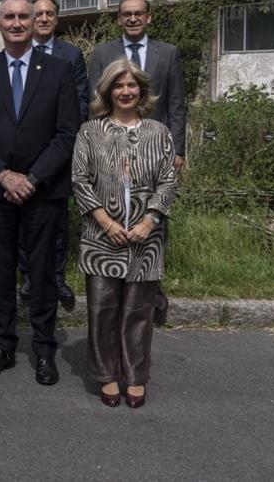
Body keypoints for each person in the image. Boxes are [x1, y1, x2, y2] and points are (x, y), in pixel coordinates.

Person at [0, 0, 79, 385]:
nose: (16, 23)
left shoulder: (60, 70)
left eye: (23, 17)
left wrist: (31, 178)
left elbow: (67, 134)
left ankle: (44, 349)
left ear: (35, 22)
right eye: (9, 17)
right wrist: (3, 176)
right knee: (0, 272)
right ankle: (3, 345)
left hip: (43, 191)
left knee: (44, 273)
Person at [72, 59, 178, 408]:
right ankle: (106, 375)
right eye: (119, 85)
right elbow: (80, 180)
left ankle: (135, 377)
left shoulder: (159, 131)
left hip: (146, 238)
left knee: (138, 311)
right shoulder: (90, 131)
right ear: (108, 91)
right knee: (102, 309)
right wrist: (106, 221)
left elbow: (167, 181)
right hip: (102, 235)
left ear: (142, 90)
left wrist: (150, 221)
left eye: (132, 85)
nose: (126, 91)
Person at [87, 0, 187, 324]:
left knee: (152, 217)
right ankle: (115, 283)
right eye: (126, 14)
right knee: (115, 211)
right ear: (118, 19)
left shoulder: (167, 53)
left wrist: (178, 150)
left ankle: (150, 287)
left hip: (156, 150)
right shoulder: (102, 54)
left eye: (138, 14)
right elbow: (95, 102)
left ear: (149, 18)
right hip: (112, 147)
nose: (132, 19)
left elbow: (176, 104)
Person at [17, 0, 91, 309]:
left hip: (59, 148)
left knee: (57, 218)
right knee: (22, 217)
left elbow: (82, 100)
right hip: (22, 149)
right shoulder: (19, 52)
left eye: (50, 14)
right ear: (31, 19)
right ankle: (29, 277)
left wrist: (63, 134)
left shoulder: (70, 55)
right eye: (39, 13)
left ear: (56, 19)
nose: (44, 18)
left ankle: (56, 277)